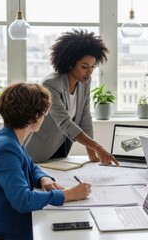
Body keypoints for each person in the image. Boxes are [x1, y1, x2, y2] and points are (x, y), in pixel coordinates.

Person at [0, 82, 91, 239]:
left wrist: (43, 179)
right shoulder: (6, 148)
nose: (45, 117)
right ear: (34, 116)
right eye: (44, 112)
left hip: (6, 222)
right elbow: (23, 200)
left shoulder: (7, 137)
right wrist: (67, 195)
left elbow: (30, 165)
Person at [25, 29, 118, 166]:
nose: (89, 72)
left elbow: (85, 118)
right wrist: (98, 147)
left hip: (63, 145)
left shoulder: (84, 83)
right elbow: (64, 122)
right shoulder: (51, 84)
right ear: (70, 62)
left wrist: (92, 155)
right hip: (41, 149)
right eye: (84, 66)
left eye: (92, 67)